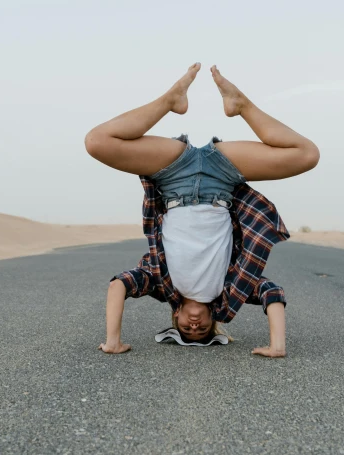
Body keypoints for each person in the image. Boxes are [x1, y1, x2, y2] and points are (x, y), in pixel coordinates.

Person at [85, 64, 319, 357]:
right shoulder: (231, 290)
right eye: (202, 331)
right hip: (222, 179)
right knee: (307, 155)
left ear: (175, 318)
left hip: (172, 176)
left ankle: (170, 101)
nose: (194, 327)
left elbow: (119, 285)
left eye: (185, 330)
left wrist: (113, 341)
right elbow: (273, 294)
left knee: (96, 142)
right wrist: (278, 346)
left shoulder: (159, 282)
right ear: (213, 321)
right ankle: (241, 105)